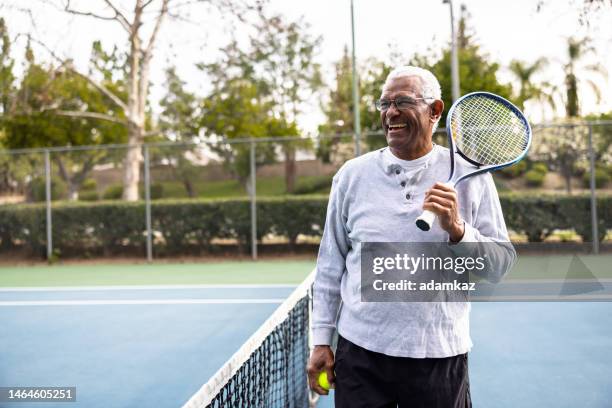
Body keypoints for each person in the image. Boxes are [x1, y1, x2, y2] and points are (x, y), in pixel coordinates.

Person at [307, 66, 516, 407]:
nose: (391, 112)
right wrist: (320, 340)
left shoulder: (472, 177)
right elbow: (330, 264)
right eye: (384, 103)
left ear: (435, 110)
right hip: (360, 355)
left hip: (439, 355)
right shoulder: (351, 176)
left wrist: (458, 230)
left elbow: (500, 265)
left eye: (403, 101)